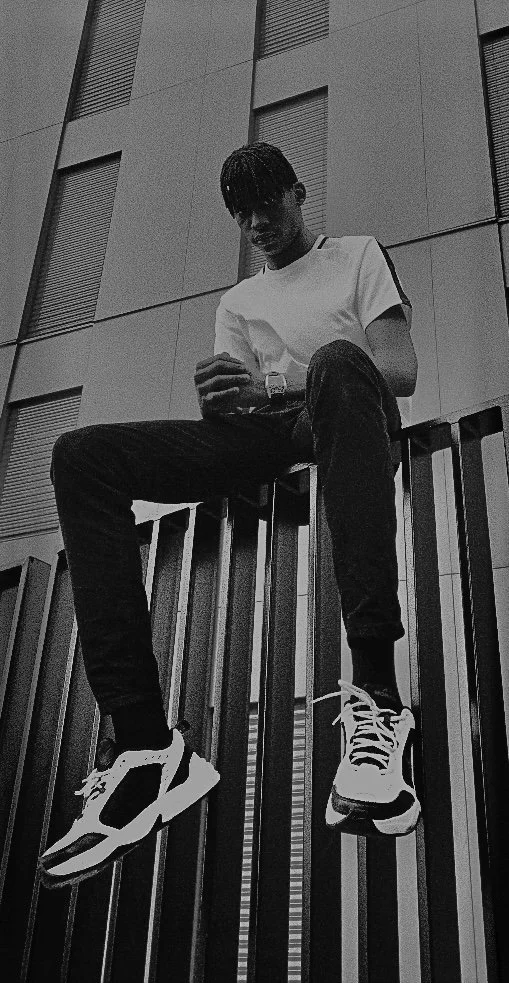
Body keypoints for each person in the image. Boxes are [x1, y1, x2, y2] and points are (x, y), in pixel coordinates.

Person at [39, 142, 420, 889]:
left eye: (267, 205)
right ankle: (147, 747)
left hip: (345, 412)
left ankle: (377, 691)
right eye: (241, 214)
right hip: (264, 435)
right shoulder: (236, 303)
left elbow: (398, 370)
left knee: (339, 360)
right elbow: (234, 418)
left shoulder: (355, 256)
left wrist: (278, 386)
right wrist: (224, 398)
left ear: (298, 194)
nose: (257, 223)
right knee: (80, 455)